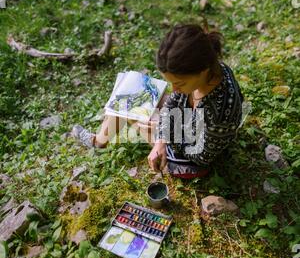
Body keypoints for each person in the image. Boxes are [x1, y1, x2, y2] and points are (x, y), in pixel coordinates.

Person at [72, 23, 244, 179]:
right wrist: (161, 138)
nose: (174, 89)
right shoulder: (206, 72)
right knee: (132, 89)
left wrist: (168, 137)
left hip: (191, 161)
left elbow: (202, 156)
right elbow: (173, 103)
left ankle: (100, 140)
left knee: (132, 110)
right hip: (186, 124)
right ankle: (100, 141)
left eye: (179, 83)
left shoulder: (220, 111)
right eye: (171, 82)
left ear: (202, 70)